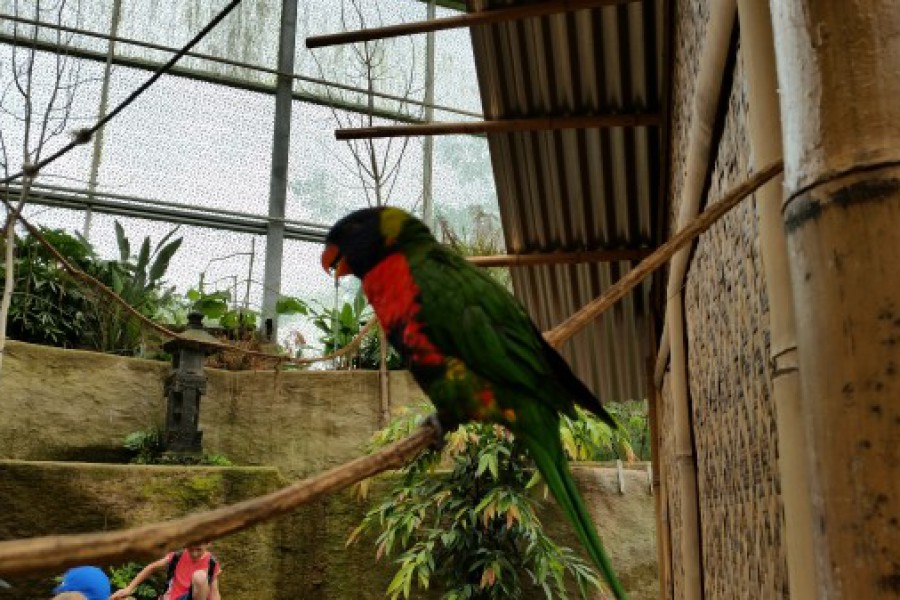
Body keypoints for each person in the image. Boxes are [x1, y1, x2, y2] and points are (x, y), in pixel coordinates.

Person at [109, 543, 221, 600]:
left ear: (208, 543)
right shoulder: (178, 556)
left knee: (200, 576)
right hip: (173, 598)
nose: (194, 554)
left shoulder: (211, 563)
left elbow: (214, 591)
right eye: (191, 549)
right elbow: (152, 567)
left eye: (199, 550)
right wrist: (129, 588)